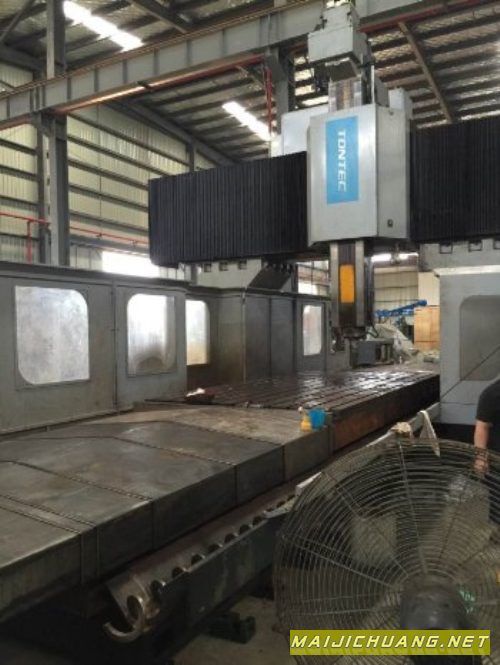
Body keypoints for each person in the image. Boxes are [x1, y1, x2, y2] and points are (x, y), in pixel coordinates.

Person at [474, 378, 500, 541]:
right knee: (498, 494)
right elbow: (482, 427)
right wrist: (480, 458)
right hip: (498, 456)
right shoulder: (492, 394)